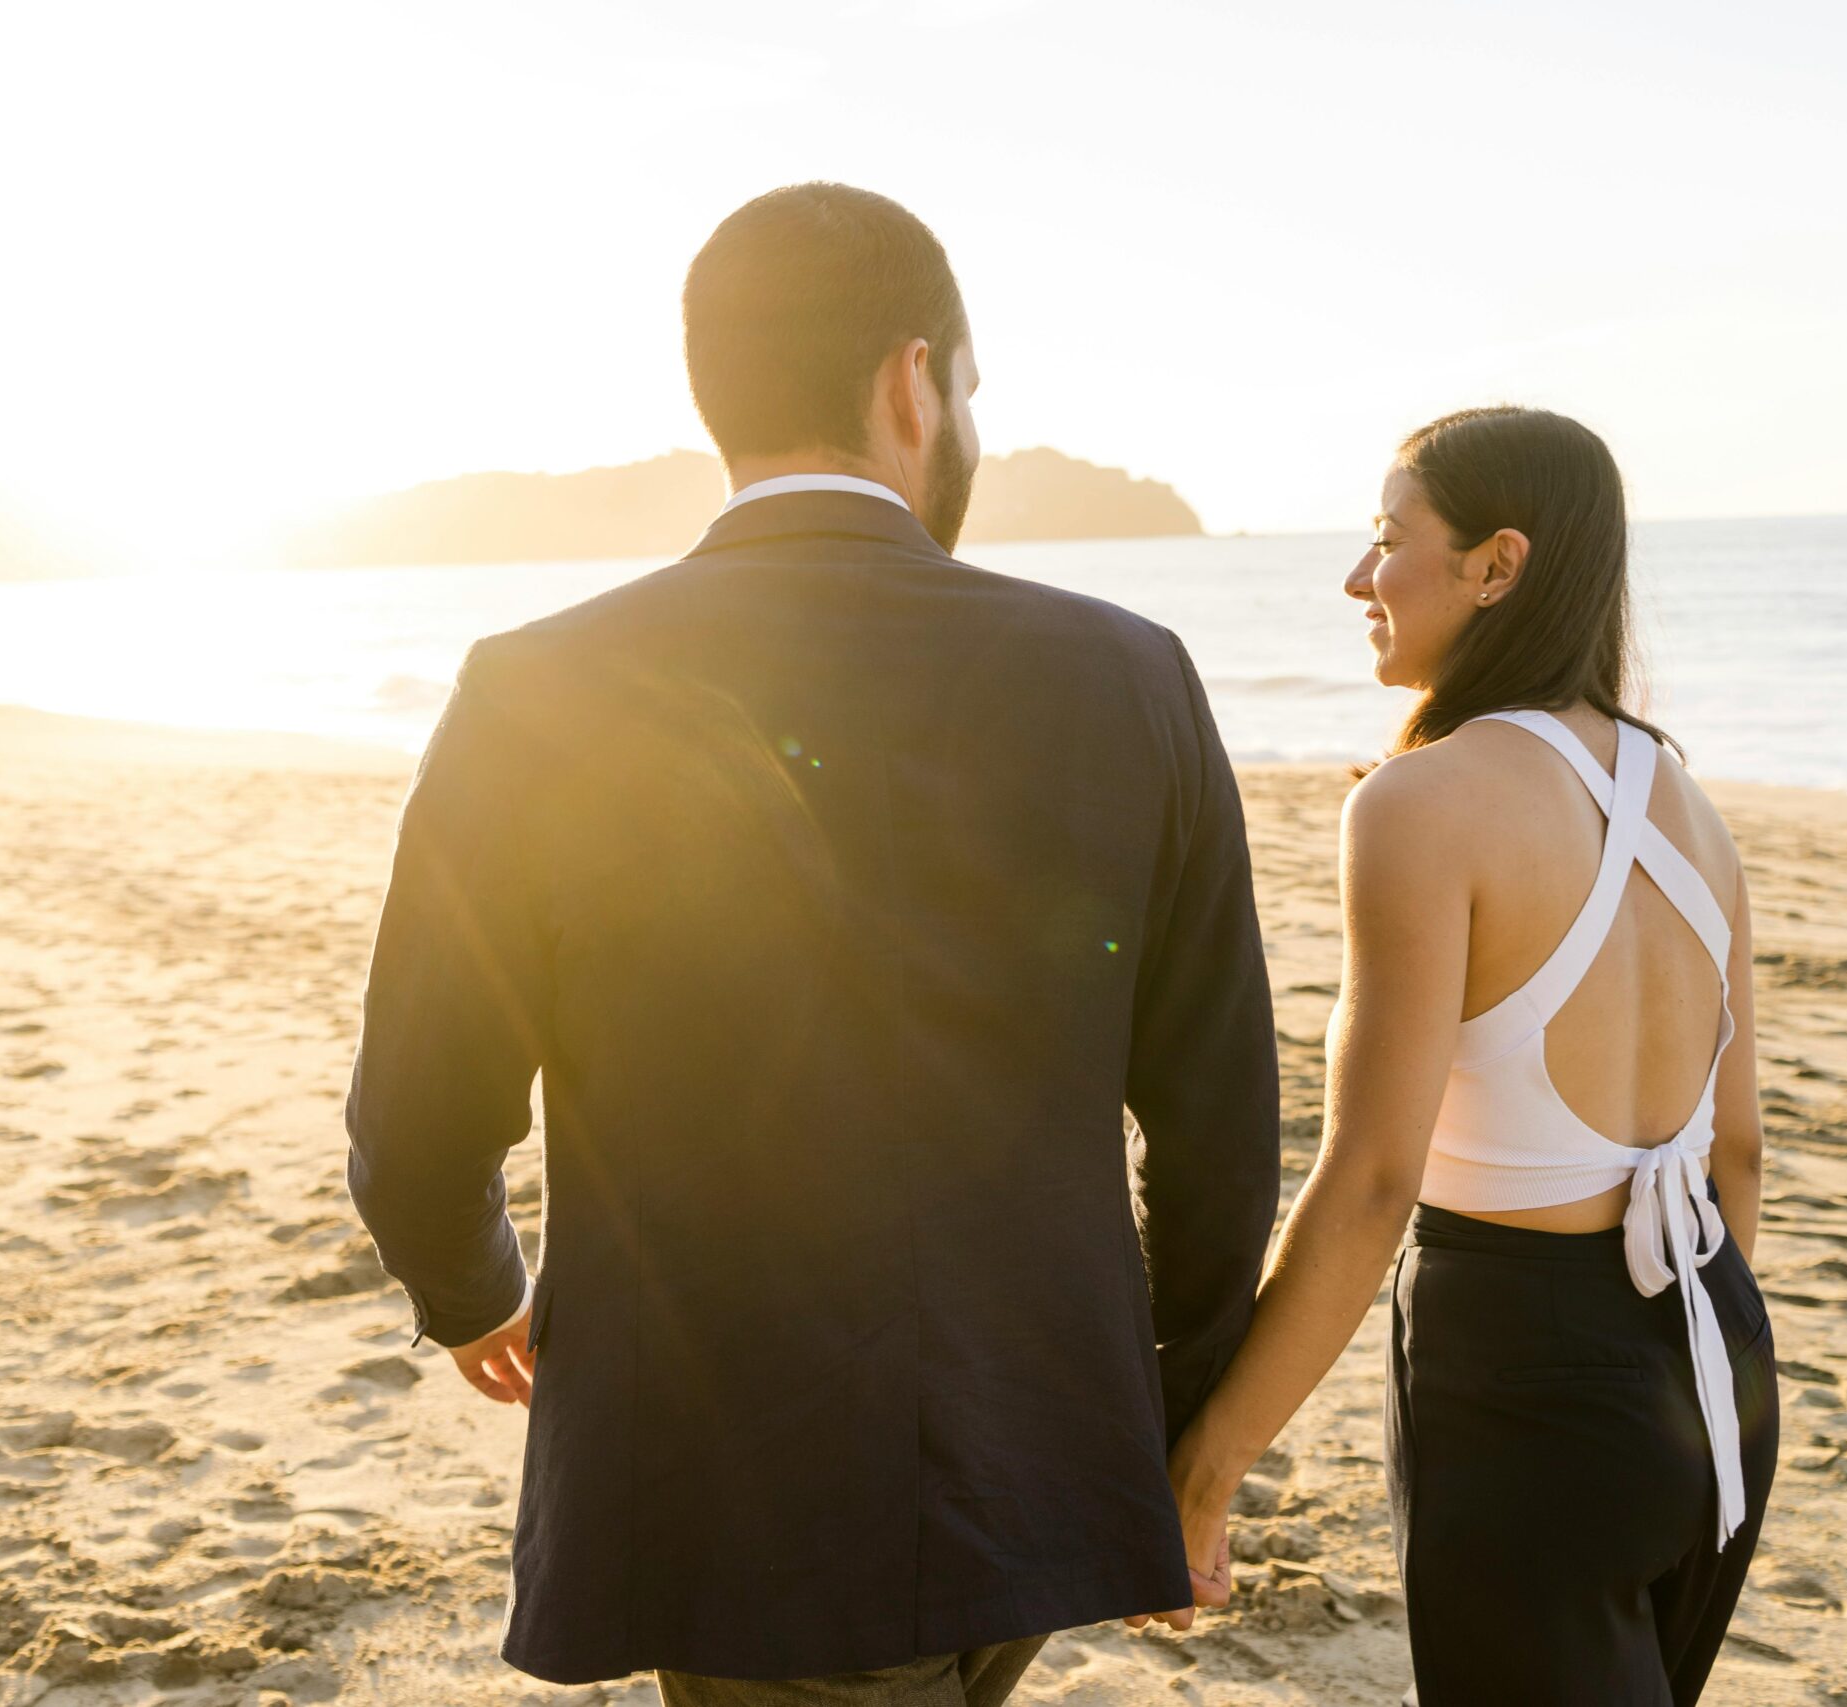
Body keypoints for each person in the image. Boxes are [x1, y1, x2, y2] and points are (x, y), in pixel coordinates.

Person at [343, 182, 1280, 1704]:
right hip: (1042, 1444)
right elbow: (1221, 1117)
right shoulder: (1133, 675)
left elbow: (419, 1110)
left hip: (728, 1467)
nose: (964, 422)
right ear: (914, 382)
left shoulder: (536, 688)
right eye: (969, 389)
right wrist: (1170, 1409)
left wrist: (474, 1290)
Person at [1158, 407, 1780, 1705]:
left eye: (1389, 540)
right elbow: (1738, 1155)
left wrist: (1204, 1474)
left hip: (1522, 1382)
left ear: (1499, 564)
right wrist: (1665, 1368)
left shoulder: (1422, 805)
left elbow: (1372, 1182)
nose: (1357, 579)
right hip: (1715, 1362)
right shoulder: (1689, 804)